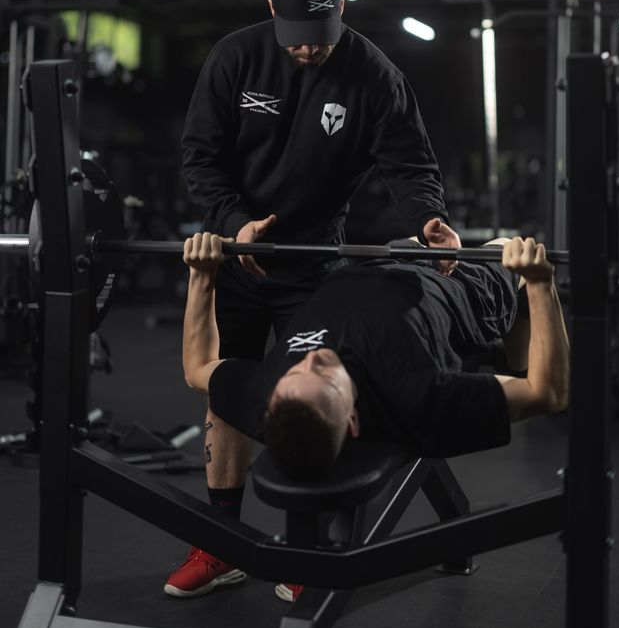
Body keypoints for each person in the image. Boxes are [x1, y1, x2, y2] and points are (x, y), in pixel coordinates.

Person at [168, 0, 461, 597]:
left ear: (343, 9)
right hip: (237, 253)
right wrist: (234, 222)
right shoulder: (235, 57)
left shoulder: (373, 74)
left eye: (320, 37)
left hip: (314, 261)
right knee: (226, 391)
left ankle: (312, 550)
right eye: (296, 36)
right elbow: (200, 156)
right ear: (272, 9)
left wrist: (430, 219)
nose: (307, 49)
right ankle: (221, 545)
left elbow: (410, 165)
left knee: (317, 397)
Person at [171, 230, 570, 602]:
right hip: (457, 284)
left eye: (297, 371)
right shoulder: (416, 398)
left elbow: (196, 368)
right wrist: (540, 282)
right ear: (352, 421)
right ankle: (514, 349)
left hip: (376, 260)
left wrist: (201, 274)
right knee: (508, 246)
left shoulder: (268, 396)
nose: (315, 360)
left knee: (423, 233)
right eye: (325, 378)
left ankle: (510, 344)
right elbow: (549, 393)